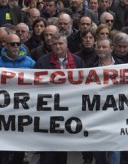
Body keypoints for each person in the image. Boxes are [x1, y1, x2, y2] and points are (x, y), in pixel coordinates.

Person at [33, 33, 84, 164]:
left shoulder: (78, 61)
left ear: (66, 45)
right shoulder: (42, 62)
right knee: (48, 150)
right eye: (54, 44)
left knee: (62, 150)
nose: (57, 46)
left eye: (60, 43)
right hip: (49, 112)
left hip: (70, 111)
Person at [0, 33, 34, 164]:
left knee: (19, 148)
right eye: (12, 44)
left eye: (18, 44)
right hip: (4, 112)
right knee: (3, 149)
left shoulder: (31, 63)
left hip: (22, 111)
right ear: (5, 44)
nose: (16, 46)